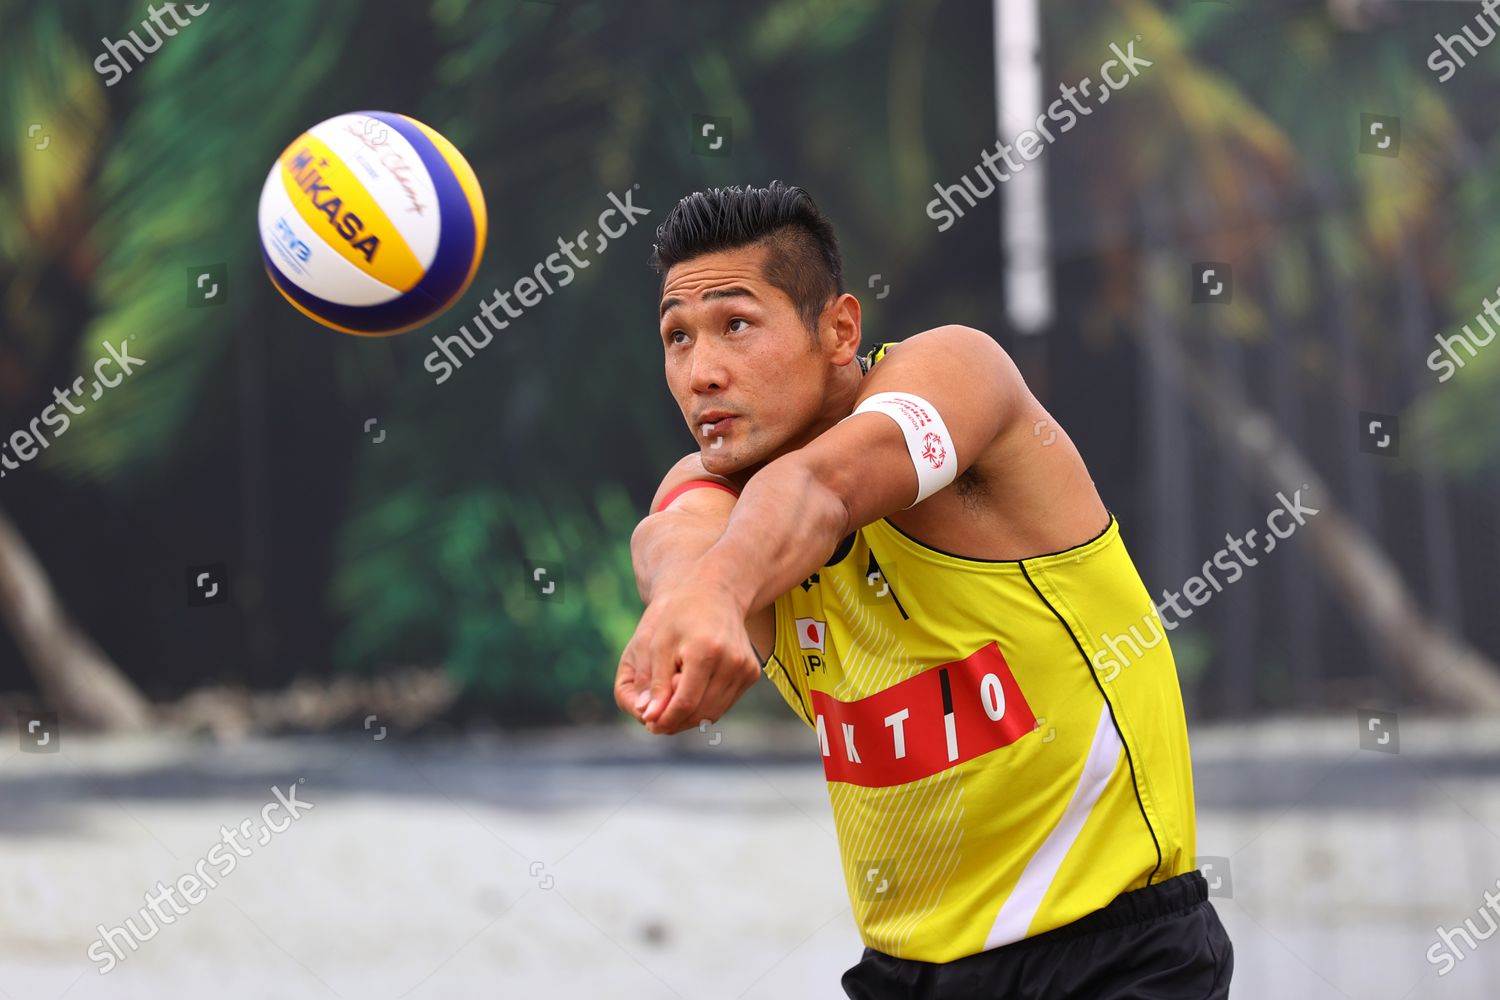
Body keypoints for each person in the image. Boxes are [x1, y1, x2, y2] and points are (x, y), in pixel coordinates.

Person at [615, 181, 1232, 999]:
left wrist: (718, 593)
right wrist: (682, 601)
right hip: (903, 975)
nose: (702, 372)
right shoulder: (715, 494)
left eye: (736, 324)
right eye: (677, 337)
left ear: (839, 330)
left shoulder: (955, 372)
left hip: (1114, 955)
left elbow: (819, 489)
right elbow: (671, 539)